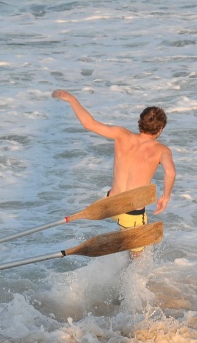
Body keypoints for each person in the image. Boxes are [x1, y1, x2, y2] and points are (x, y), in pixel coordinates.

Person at [52, 90, 176, 253]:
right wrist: (165, 197)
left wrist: (71, 99)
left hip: (110, 202)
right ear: (160, 129)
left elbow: (89, 124)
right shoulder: (162, 150)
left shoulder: (121, 134)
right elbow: (170, 173)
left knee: (125, 239)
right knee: (138, 256)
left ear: (140, 122)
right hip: (131, 210)